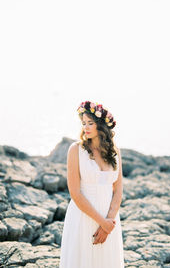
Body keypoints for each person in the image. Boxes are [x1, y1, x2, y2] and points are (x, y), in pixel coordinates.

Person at [59, 100, 125, 268]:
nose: (86, 127)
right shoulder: (76, 150)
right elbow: (75, 193)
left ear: (101, 126)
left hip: (110, 220)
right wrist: (101, 222)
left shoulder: (115, 151)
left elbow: (118, 189)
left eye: (90, 123)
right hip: (83, 217)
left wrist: (108, 222)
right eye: (83, 123)